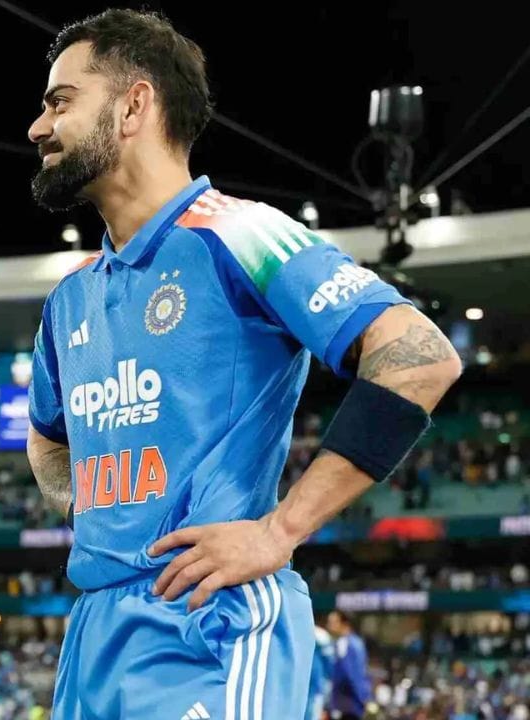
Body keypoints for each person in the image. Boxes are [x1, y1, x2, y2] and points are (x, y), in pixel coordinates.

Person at [23, 10, 462, 719]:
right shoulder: (68, 299)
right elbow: (46, 437)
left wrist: (279, 531)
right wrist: (96, 510)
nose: (37, 127)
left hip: (210, 622)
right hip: (95, 631)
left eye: (60, 101)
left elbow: (420, 357)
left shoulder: (238, 233)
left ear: (134, 106)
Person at [327, 610, 371, 719]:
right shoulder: (341, 642)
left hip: (348, 705)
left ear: (345, 624)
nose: (329, 626)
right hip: (344, 703)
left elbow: (354, 675)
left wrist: (363, 698)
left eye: (333, 622)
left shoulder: (349, 644)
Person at [307, 623, 336, 720]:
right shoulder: (320, 635)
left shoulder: (320, 636)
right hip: (310, 689)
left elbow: (329, 668)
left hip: (315, 690)